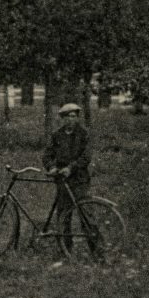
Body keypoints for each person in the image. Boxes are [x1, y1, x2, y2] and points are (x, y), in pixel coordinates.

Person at [45, 103, 93, 251]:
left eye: (74, 116)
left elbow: (86, 156)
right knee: (63, 217)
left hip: (79, 180)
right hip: (62, 181)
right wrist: (52, 167)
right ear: (62, 118)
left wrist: (71, 168)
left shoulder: (83, 134)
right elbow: (47, 155)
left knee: (86, 215)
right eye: (68, 117)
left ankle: (97, 250)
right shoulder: (56, 135)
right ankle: (65, 251)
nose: (71, 119)